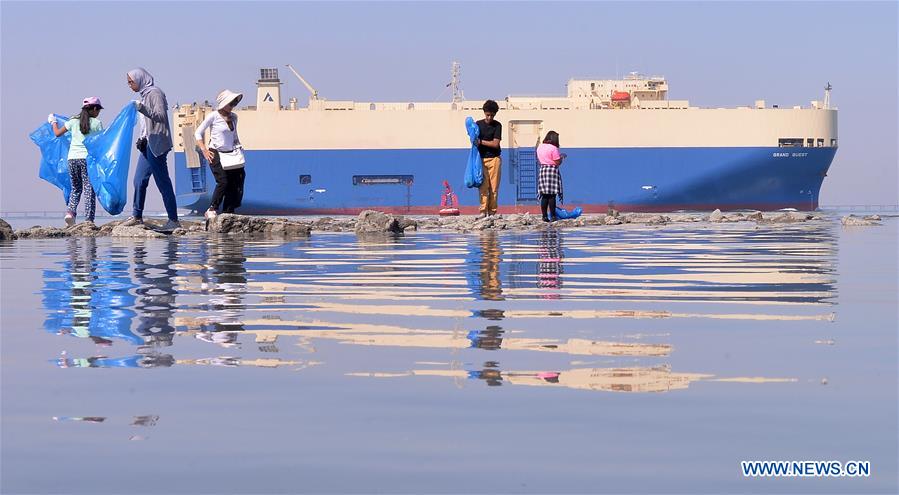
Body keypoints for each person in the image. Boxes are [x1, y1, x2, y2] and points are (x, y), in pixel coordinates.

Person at [123, 67, 180, 230]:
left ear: (140, 79)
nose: (129, 85)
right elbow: (145, 125)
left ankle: (173, 220)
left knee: (162, 182)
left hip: (157, 144)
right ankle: (137, 216)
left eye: (131, 82)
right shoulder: (144, 95)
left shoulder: (154, 93)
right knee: (139, 180)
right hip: (147, 143)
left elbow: (161, 116)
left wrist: (142, 108)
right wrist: (141, 139)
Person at [49, 97, 103, 225]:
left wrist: (53, 122)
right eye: (99, 110)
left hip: (72, 159)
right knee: (89, 188)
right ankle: (89, 220)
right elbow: (101, 142)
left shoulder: (72, 121)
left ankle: (70, 213)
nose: (99, 113)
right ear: (94, 109)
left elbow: (57, 133)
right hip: (86, 159)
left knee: (76, 188)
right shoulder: (96, 123)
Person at [195, 90, 245, 222]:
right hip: (215, 152)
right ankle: (212, 208)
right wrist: (204, 150)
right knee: (223, 181)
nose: (233, 105)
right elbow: (198, 133)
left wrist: (238, 147)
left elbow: (234, 135)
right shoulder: (213, 116)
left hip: (231, 153)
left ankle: (229, 210)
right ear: (224, 103)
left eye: (235, 102)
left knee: (238, 180)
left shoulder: (234, 117)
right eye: (231, 103)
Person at [475, 100, 502, 217]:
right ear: (484, 113)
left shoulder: (497, 125)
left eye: (492, 115)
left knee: (494, 188)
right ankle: (482, 211)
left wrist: (481, 141)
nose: (490, 117)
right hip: (481, 159)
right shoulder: (478, 124)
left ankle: (492, 212)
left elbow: (496, 144)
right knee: (483, 186)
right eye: (488, 115)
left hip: (495, 159)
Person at [536, 130, 566, 222]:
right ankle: (553, 216)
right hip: (552, 171)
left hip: (543, 170)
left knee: (544, 195)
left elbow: (540, 159)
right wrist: (562, 157)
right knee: (552, 195)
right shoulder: (553, 148)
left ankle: (544, 216)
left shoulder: (539, 147)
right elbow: (557, 162)